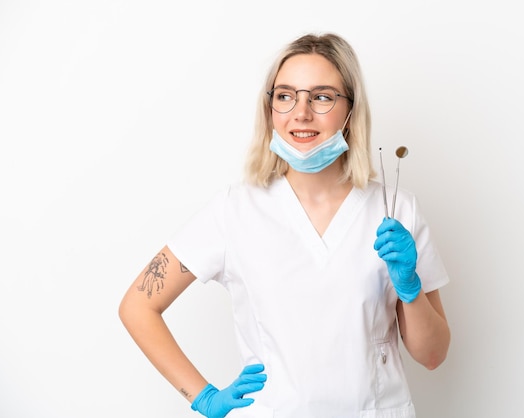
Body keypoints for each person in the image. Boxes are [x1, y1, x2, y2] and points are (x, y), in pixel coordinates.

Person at [119, 32, 451, 418]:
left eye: (322, 96)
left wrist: (410, 289)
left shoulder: (396, 211)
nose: (301, 112)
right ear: (270, 108)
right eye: (285, 95)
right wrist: (203, 396)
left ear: (350, 111)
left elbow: (433, 356)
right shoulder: (234, 210)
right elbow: (138, 306)